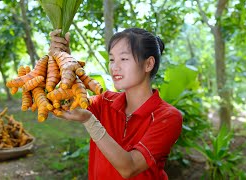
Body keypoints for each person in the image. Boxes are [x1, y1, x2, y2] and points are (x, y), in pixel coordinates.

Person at [49, 28, 183, 180]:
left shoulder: (167, 117)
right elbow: (63, 99)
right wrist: (62, 59)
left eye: (124, 59)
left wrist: (89, 121)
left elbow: (129, 168)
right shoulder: (104, 101)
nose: (114, 67)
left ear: (148, 64)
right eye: (112, 59)